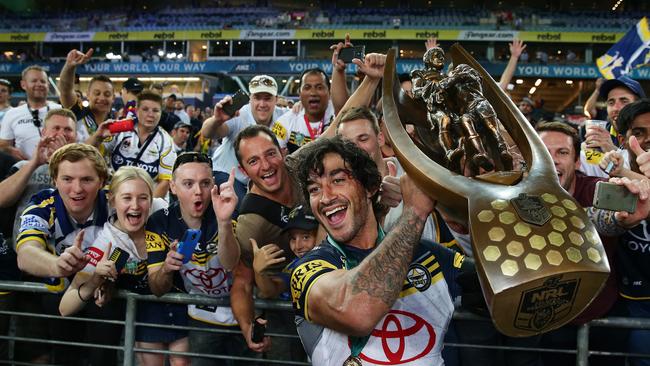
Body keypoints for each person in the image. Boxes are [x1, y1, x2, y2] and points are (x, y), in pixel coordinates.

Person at [289, 136, 463, 365]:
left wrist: (461, 211)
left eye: (339, 180)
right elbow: (357, 311)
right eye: (314, 189)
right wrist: (414, 213)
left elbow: (509, 296)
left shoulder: (431, 256)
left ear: (370, 188)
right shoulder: (308, 269)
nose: (326, 197)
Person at [58, 166, 181, 366]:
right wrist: (95, 280)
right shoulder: (106, 243)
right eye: (126, 198)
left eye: (143, 198)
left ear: (152, 199)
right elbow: (65, 307)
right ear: (112, 200)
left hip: (174, 312)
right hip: (136, 324)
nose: (135, 206)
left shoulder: (161, 211)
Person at [14, 143, 113, 365]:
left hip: (105, 297)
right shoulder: (42, 203)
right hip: (59, 296)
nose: (76, 189)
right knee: (66, 355)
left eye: (86, 179)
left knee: (104, 356)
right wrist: (57, 265)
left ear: (102, 181)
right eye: (67, 179)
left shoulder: (115, 202)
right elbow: (26, 252)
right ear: (54, 181)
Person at [536, 121, 624, 365]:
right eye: (544, 152)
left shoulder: (595, 190)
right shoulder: (520, 195)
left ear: (577, 162)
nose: (552, 160)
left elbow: (614, 213)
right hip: (548, 320)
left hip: (601, 317)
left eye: (562, 152)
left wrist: (623, 218)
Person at [146, 152, 242, 365]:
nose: (198, 192)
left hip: (243, 313)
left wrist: (224, 222)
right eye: (188, 184)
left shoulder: (227, 208)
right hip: (201, 319)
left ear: (214, 185)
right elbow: (157, 288)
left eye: (205, 183)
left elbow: (230, 263)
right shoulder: (159, 223)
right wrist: (166, 269)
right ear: (172, 187)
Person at [201, 74, 286, 206]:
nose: (262, 104)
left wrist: (299, 108)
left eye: (267, 98)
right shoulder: (239, 114)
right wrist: (217, 120)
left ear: (276, 99)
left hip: (256, 180)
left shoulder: (284, 117)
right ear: (250, 99)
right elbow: (207, 132)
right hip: (227, 174)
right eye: (257, 98)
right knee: (244, 206)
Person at [0, 109, 77, 238]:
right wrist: (33, 163)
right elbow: (2, 199)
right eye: (56, 128)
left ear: (76, 136)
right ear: (43, 132)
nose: (62, 134)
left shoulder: (84, 170)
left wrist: (61, 162)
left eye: (68, 129)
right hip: (25, 244)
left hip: (67, 244)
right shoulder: (23, 166)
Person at [87, 90, 177, 198]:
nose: (150, 114)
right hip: (116, 196)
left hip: (148, 199)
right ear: (137, 110)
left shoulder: (166, 141)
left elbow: (165, 182)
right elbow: (88, 153)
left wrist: (149, 208)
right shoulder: (120, 128)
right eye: (145, 109)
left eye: (155, 110)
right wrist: (97, 136)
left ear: (161, 113)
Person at [580, 75, 645, 178]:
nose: (616, 108)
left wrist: (613, 151)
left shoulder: (646, 138)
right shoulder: (602, 132)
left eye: (624, 101)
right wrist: (579, 155)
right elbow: (603, 170)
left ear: (638, 106)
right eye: (611, 102)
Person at [252, 204, 319, 299]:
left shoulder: (338, 260)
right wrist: (259, 272)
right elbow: (272, 290)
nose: (297, 246)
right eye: (293, 238)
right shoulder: (295, 266)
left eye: (305, 237)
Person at [0, 65, 61, 160]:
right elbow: (3, 145)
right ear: (23, 85)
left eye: (43, 81)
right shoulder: (12, 114)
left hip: (57, 167)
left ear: (48, 85)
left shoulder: (60, 110)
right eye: (34, 81)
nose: (39, 84)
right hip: (24, 168)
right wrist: (10, 150)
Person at [270, 68, 335, 154]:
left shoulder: (337, 114)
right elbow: (274, 156)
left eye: (319, 87)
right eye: (307, 88)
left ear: (329, 92)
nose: (313, 93)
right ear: (299, 93)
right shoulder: (284, 123)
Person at [58, 48, 116, 142]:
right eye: (97, 93)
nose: (102, 98)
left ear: (113, 97)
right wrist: (69, 66)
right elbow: (65, 90)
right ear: (88, 94)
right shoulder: (78, 112)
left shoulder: (116, 123)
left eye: (107, 94)